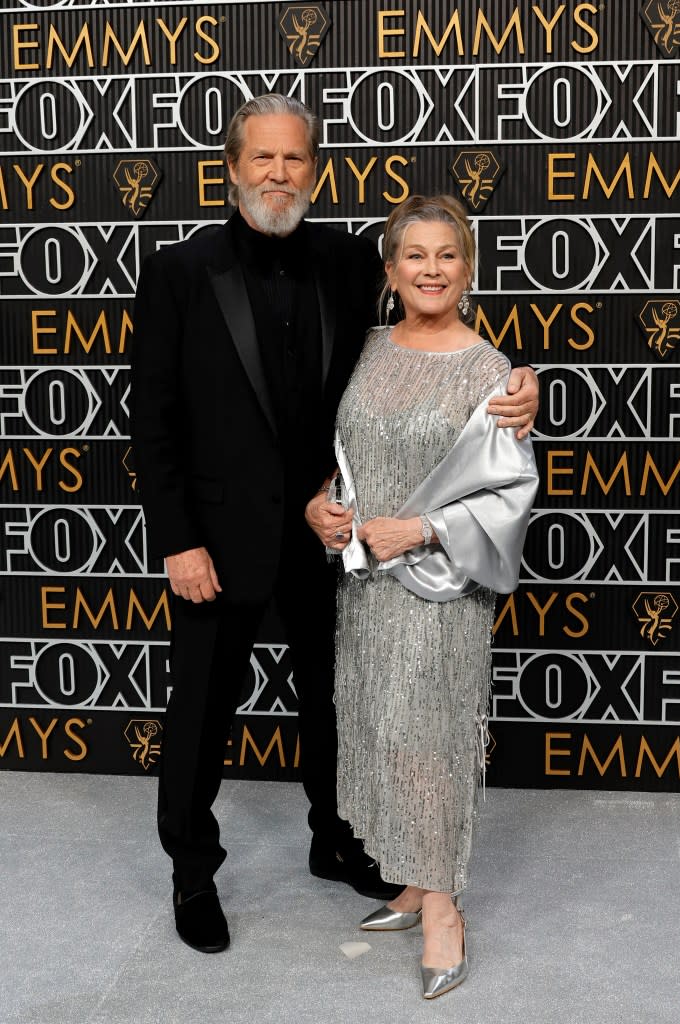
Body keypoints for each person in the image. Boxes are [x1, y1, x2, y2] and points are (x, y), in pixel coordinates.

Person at [130, 94, 540, 954]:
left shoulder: (354, 262)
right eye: (262, 160)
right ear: (232, 168)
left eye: (295, 161)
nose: (279, 175)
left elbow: (425, 345)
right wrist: (177, 539)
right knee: (201, 709)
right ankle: (192, 870)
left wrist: (515, 390)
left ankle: (336, 838)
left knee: (335, 705)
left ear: (313, 171)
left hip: (331, 536)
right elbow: (153, 418)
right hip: (218, 537)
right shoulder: (178, 270)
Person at [305, 195, 539, 999]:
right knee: (378, 729)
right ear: (390, 270)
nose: (431, 270)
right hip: (365, 583)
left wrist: (425, 530)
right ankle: (408, 880)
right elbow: (339, 448)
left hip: (440, 591)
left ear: (468, 271)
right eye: (415, 256)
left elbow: (508, 493)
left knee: (430, 738)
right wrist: (322, 506)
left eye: (447, 256)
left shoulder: (489, 372)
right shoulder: (363, 349)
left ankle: (443, 908)